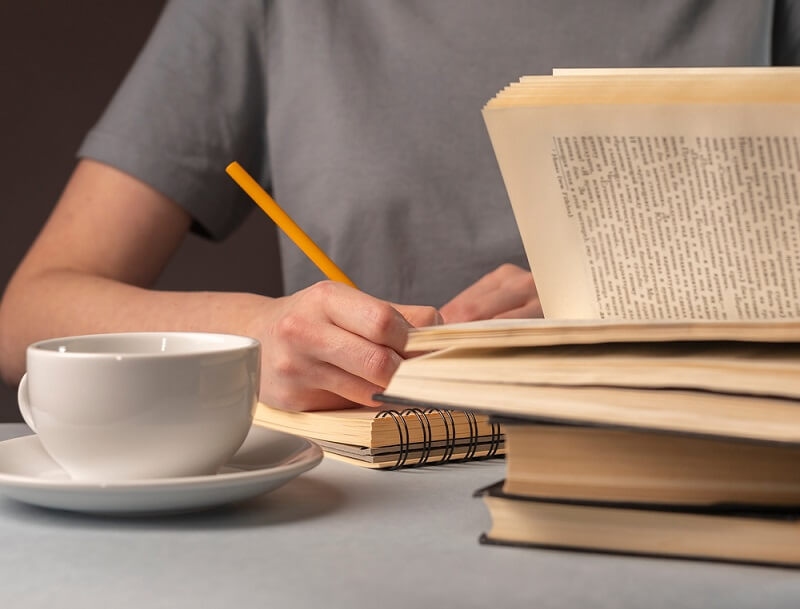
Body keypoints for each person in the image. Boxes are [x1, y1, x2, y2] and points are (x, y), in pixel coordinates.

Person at [0, 0, 797, 411]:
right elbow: (26, 318)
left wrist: (618, 307)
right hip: (351, 518)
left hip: (675, 481)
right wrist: (252, 337)